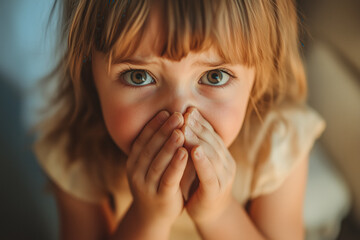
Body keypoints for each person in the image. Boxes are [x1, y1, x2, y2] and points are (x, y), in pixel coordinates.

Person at [32, 0, 326, 239]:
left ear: (258, 76)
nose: (180, 115)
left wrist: (219, 213)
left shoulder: (275, 145)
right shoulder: (77, 157)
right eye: (139, 77)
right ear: (89, 74)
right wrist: (148, 218)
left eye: (214, 76)